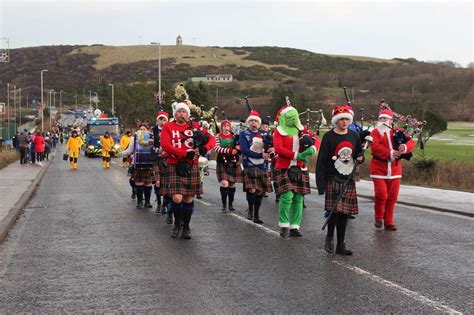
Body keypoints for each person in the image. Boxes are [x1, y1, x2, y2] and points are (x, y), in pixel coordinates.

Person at [160, 101, 216, 239]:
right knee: (177, 197)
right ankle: (177, 223)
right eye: (179, 111)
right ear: (175, 114)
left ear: (188, 114)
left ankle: (186, 226)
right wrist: (185, 154)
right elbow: (165, 145)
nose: (181, 114)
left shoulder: (195, 126)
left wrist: (204, 148)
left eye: (184, 111)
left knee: (188, 198)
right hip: (174, 164)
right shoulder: (168, 126)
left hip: (191, 165)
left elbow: (212, 139)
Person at [316, 104, 364, 255]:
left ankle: (341, 245)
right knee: (333, 212)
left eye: (346, 119)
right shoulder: (329, 136)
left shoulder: (354, 135)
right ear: (336, 120)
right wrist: (321, 184)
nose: (344, 122)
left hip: (348, 178)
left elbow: (358, 154)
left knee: (344, 213)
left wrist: (361, 158)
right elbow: (321, 161)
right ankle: (330, 237)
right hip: (332, 177)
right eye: (341, 119)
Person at [273, 105, 318, 238]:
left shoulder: (303, 129)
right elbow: (278, 148)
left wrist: (312, 149)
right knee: (287, 197)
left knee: (298, 197)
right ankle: (284, 225)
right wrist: (297, 156)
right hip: (284, 167)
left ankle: (294, 226)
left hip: (300, 167)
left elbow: (317, 141)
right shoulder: (278, 131)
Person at [370, 107, 415, 231]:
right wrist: (390, 153)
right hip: (378, 169)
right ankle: (379, 217)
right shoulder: (375, 132)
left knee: (392, 197)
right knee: (381, 195)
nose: (383, 120)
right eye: (381, 118)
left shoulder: (397, 131)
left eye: (386, 118)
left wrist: (404, 148)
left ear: (390, 120)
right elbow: (375, 147)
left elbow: (411, 142)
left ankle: (389, 221)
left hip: (395, 170)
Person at [240, 110, 273, 224]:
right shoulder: (243, 134)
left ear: (259, 123)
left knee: (259, 191)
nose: (253, 123)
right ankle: (250, 210)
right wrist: (260, 154)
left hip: (262, 165)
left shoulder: (265, 135)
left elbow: (270, 146)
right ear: (249, 123)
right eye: (251, 121)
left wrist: (271, 149)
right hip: (249, 165)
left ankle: (257, 214)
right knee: (252, 189)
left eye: (255, 121)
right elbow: (244, 150)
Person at [121, 123, 159, 209]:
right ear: (138, 130)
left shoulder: (151, 138)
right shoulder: (134, 139)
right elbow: (129, 151)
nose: (142, 131)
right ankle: (139, 201)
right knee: (139, 183)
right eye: (141, 129)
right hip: (138, 164)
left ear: (147, 130)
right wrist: (119, 154)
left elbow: (156, 149)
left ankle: (147, 202)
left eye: (144, 129)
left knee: (148, 184)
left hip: (149, 164)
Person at [214, 119, 242, 211]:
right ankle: (224, 204)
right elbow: (217, 148)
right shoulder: (218, 136)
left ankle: (230, 204)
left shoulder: (234, 136)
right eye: (224, 126)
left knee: (231, 184)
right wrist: (229, 151)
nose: (226, 128)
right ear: (221, 127)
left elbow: (239, 147)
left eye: (228, 126)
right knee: (224, 183)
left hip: (234, 162)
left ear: (230, 127)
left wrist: (238, 148)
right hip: (222, 162)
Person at [151, 111, 169, 214]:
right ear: (157, 120)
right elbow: (150, 142)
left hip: (167, 159)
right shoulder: (153, 130)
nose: (162, 121)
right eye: (160, 119)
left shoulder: (170, 130)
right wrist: (158, 149)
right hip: (156, 159)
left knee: (166, 184)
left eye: (164, 119)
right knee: (158, 182)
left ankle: (164, 205)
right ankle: (158, 203)